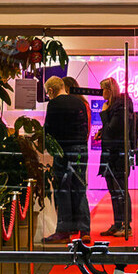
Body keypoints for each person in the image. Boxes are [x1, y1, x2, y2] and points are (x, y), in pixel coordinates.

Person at [43, 75, 91, 239]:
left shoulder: (53, 104)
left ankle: (64, 230)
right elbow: (85, 127)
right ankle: (85, 230)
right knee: (79, 188)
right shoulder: (79, 103)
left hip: (63, 150)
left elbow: (48, 129)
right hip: (80, 150)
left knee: (63, 190)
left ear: (51, 90)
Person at [96, 77, 138, 239]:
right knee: (114, 190)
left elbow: (113, 129)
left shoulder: (120, 106)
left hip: (118, 154)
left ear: (110, 89)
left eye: (104, 90)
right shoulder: (118, 106)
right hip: (111, 154)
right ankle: (118, 223)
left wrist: (104, 112)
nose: (102, 93)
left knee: (120, 189)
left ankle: (126, 225)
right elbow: (110, 129)